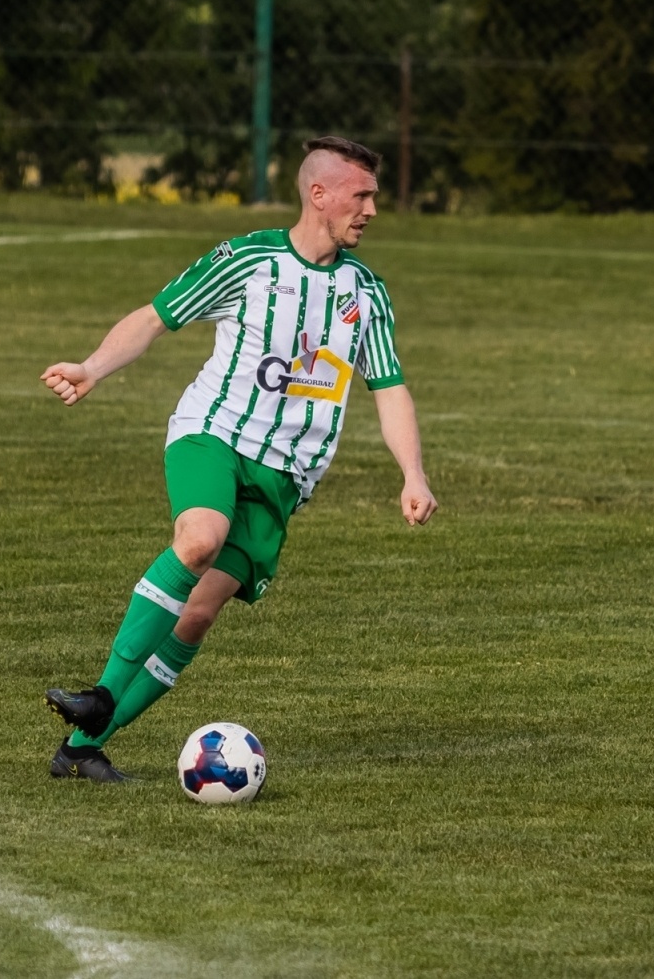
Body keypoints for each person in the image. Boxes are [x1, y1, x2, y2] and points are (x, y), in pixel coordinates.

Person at [39, 135, 438, 782]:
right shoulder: (248, 260)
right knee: (199, 539)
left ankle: (82, 747)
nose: (370, 209)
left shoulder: (365, 292)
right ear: (319, 194)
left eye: (372, 196)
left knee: (196, 614)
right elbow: (155, 316)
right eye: (360, 195)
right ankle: (103, 691)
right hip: (215, 434)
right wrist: (91, 367)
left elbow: (389, 387)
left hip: (286, 477)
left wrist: (412, 474)